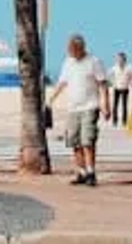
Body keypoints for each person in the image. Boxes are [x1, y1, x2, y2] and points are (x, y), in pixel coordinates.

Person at [46, 34, 110, 186]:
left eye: (73, 49)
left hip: (90, 106)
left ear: (81, 48)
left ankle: (91, 172)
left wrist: (106, 105)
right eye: (70, 50)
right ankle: (81, 172)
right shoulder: (68, 63)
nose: (71, 52)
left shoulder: (94, 62)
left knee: (87, 141)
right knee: (74, 142)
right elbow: (62, 82)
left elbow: (103, 85)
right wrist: (51, 98)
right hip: (72, 108)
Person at [108, 52, 132, 127]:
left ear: (125, 59)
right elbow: (109, 75)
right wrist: (113, 83)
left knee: (124, 106)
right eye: (118, 58)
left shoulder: (129, 67)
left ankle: (124, 122)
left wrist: (131, 83)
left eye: (121, 58)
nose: (120, 60)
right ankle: (115, 121)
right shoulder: (114, 67)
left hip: (125, 88)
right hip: (116, 88)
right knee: (115, 106)